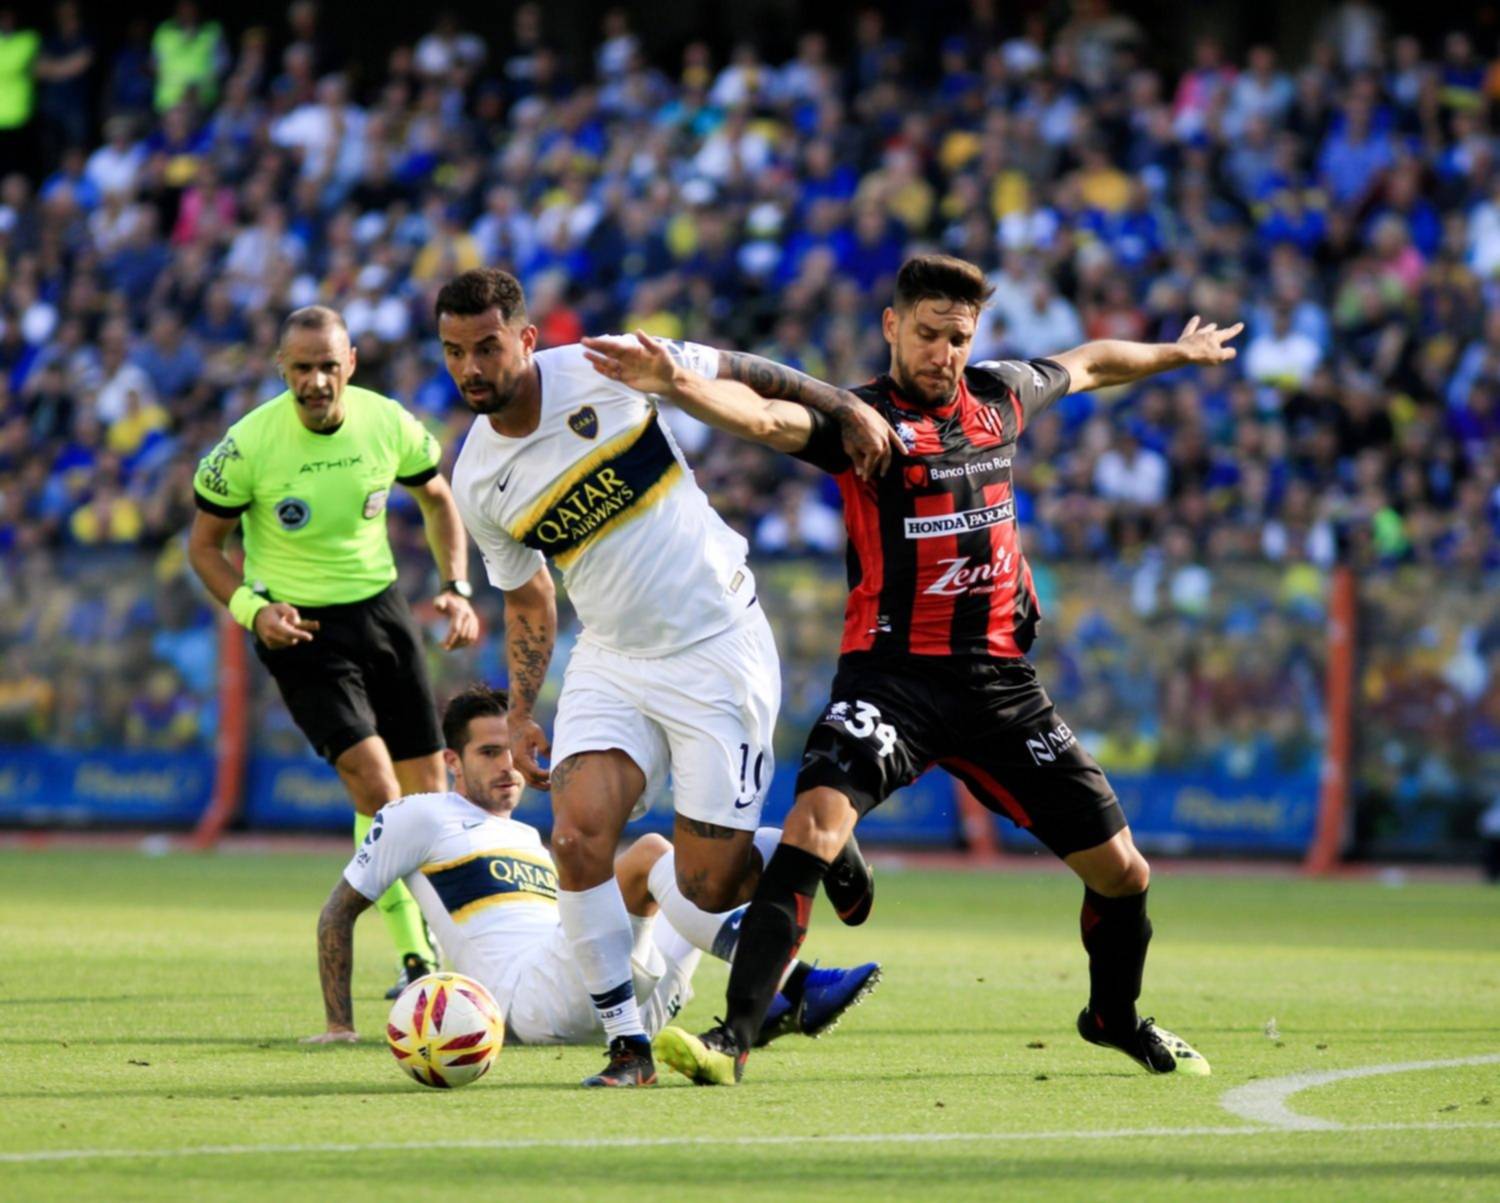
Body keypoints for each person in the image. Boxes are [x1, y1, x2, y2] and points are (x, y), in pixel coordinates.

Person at [582, 254, 1241, 1085]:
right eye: (929, 334)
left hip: (1000, 685)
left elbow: (1092, 362)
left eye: (958, 337)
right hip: (892, 681)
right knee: (811, 828)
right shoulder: (864, 421)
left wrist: (1177, 353)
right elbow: (768, 419)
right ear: (893, 326)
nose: (944, 352)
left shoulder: (1000, 397)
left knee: (1124, 872)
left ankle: (1113, 1016)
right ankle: (733, 1037)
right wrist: (678, 383)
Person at [435, 268, 893, 1086]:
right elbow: (529, 596)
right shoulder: (476, 478)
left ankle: (818, 846)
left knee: (707, 884)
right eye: (454, 352)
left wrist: (844, 405)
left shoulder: (605, 366)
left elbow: (743, 368)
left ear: (527, 338)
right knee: (575, 837)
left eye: (487, 346)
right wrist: (521, 709)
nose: (471, 366)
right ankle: (628, 1046)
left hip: (716, 644)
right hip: (612, 659)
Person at [302, 684, 881, 1055]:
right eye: (488, 753)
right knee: (650, 853)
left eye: (512, 750)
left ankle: (806, 850)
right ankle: (793, 981)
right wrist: (338, 1024)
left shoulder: (527, 837)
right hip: (530, 1002)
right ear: (452, 761)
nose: (508, 766)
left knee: (698, 876)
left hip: (620, 1006)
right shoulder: (418, 816)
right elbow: (338, 912)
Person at [188, 305, 479, 997]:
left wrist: (456, 587)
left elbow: (439, 500)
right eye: (301, 368)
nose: (315, 381)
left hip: (381, 611)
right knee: (377, 788)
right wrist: (254, 611)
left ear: (350, 363)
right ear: (280, 369)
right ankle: (416, 956)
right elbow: (203, 547)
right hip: (299, 627)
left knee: (429, 795)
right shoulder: (247, 446)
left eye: (327, 365)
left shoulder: (389, 422)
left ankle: (454, 941)